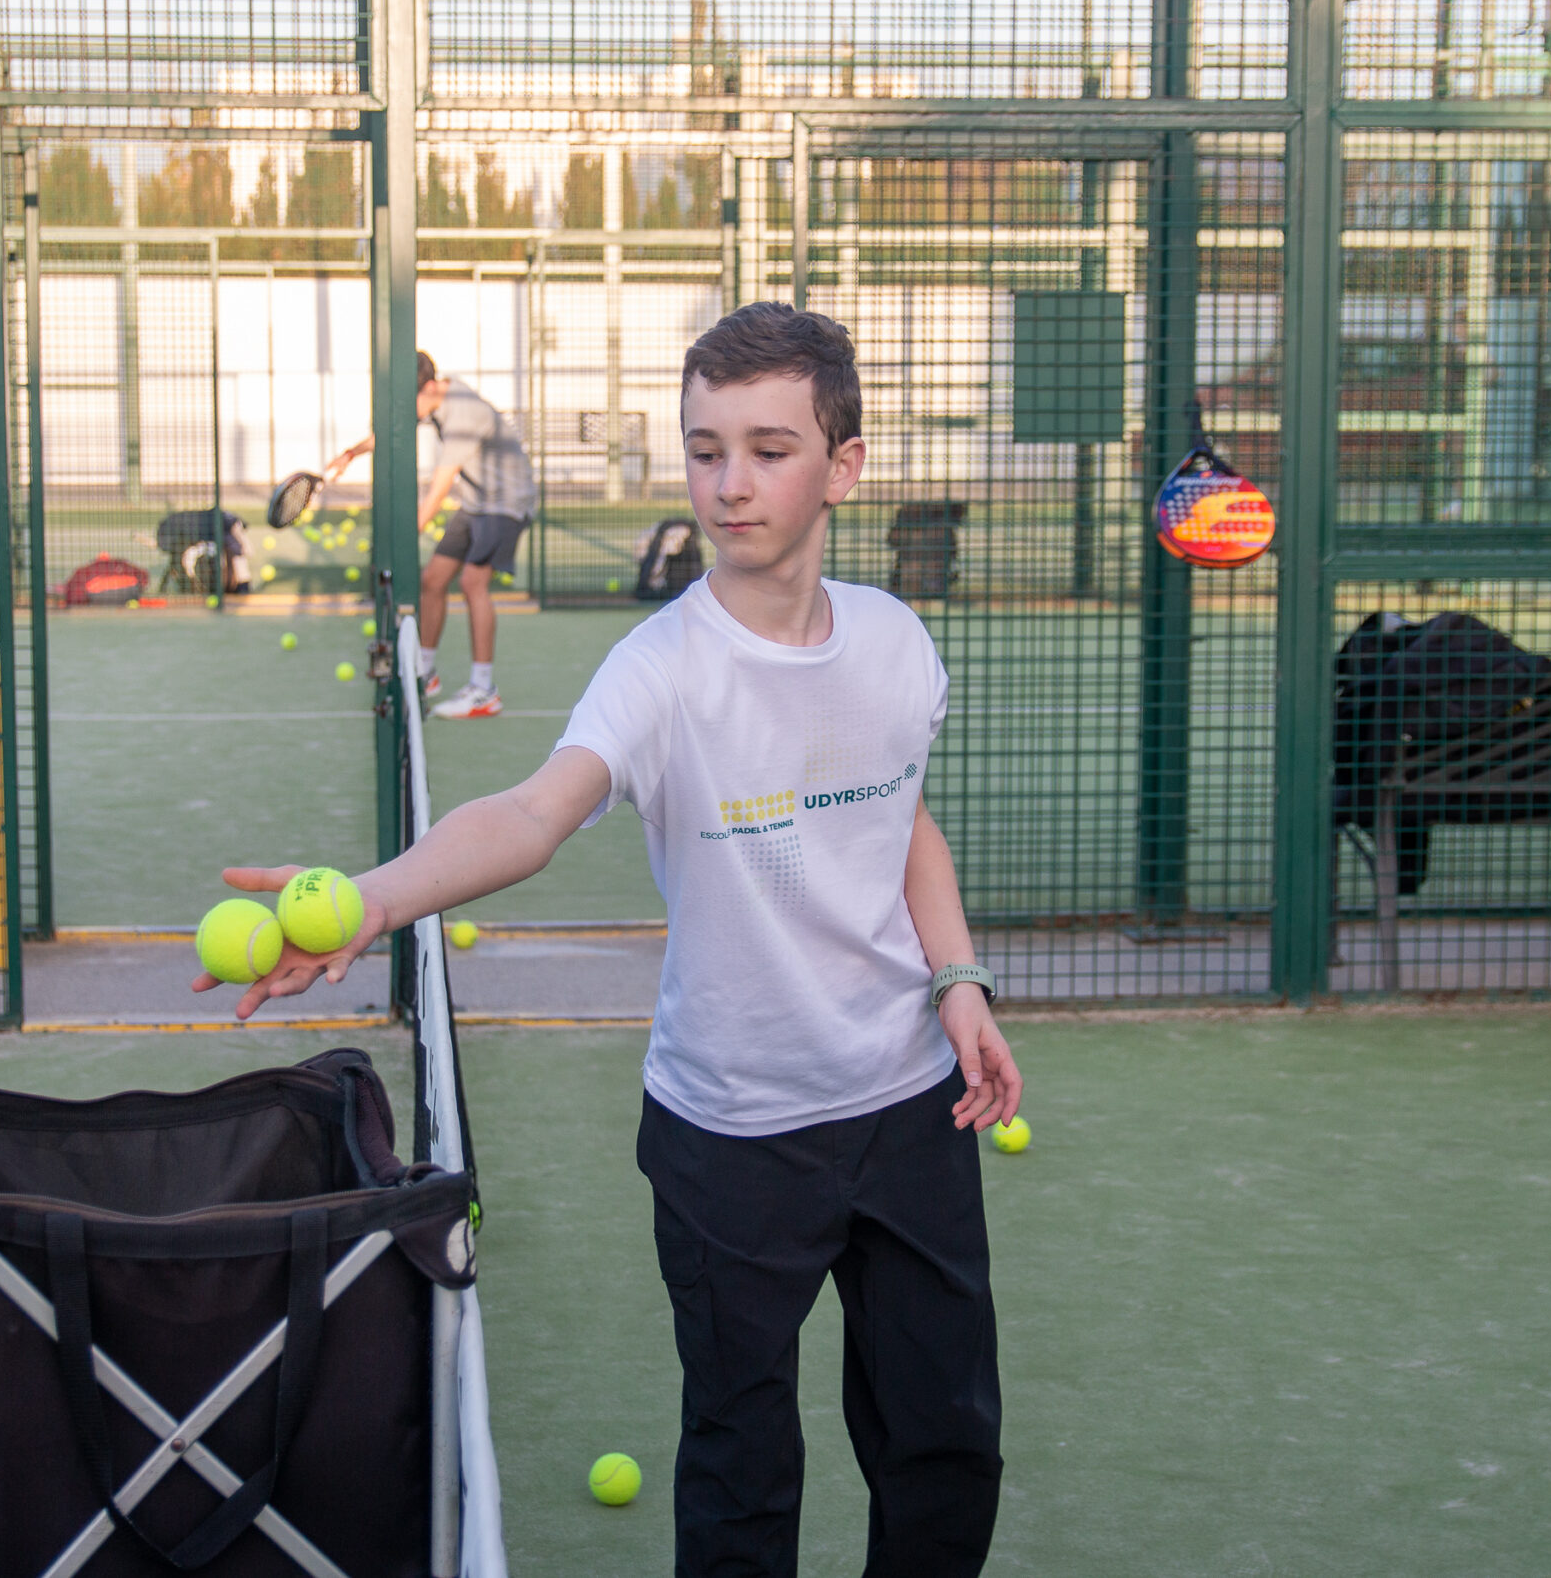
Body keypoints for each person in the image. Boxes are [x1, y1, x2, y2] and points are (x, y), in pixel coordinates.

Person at [206, 303, 1020, 1577]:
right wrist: (371, 900)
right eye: (705, 451)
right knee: (744, 1467)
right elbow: (533, 812)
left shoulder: (897, 645)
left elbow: (901, 816)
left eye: (767, 448)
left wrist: (958, 979)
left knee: (946, 1447)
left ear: (841, 467)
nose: (729, 484)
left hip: (913, 1110)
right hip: (731, 1135)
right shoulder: (659, 670)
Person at [316, 351, 537, 718]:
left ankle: (484, 690)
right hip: (477, 501)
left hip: (506, 503)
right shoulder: (436, 399)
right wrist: (350, 454)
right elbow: (394, 430)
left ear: (431, 387)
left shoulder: (464, 413)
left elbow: (439, 488)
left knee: (472, 584)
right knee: (432, 580)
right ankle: (426, 671)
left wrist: (408, 533)